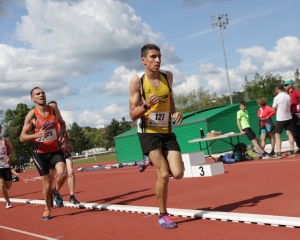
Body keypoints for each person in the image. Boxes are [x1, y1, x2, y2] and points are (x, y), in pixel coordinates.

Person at [129, 44, 184, 229]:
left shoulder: (168, 76)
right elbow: (132, 114)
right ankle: (163, 215)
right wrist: (146, 106)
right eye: (153, 57)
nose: (158, 60)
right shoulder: (137, 81)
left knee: (178, 173)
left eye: (159, 56)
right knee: (163, 175)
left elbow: (171, 98)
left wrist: (175, 112)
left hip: (166, 130)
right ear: (143, 60)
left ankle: (149, 159)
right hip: (148, 132)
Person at [20, 87, 70, 220]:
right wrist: (36, 134)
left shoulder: (53, 109)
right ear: (33, 99)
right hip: (40, 153)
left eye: (42, 93)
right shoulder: (32, 115)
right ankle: (47, 209)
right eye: (37, 94)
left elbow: (62, 123)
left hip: (55, 150)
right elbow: (22, 137)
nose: (41, 95)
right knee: (47, 184)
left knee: (63, 173)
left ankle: (56, 191)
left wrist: (63, 134)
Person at [48, 101, 79, 205]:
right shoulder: (46, 122)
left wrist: (68, 142)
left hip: (63, 150)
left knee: (70, 172)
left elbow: (65, 133)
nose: (54, 109)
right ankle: (51, 193)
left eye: (55, 107)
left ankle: (72, 196)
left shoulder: (61, 122)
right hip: (52, 152)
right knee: (51, 176)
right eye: (52, 107)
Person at [272, 83, 296, 158]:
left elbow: (273, 108)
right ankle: (292, 151)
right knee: (289, 133)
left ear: (277, 89)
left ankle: (279, 153)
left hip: (281, 118)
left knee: (277, 135)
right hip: (288, 117)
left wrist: (276, 110)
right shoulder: (288, 96)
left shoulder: (277, 98)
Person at [0, 124, 15, 209]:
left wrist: (10, 156)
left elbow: (13, 150)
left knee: (8, 186)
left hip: (6, 166)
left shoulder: (6, 140)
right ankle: (8, 202)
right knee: (1, 185)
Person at [283, 79, 300, 153]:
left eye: (286, 85)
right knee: (293, 132)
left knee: (297, 131)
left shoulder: (295, 92)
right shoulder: (286, 94)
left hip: (295, 114)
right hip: (288, 115)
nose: (285, 87)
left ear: (290, 85)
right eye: (284, 85)